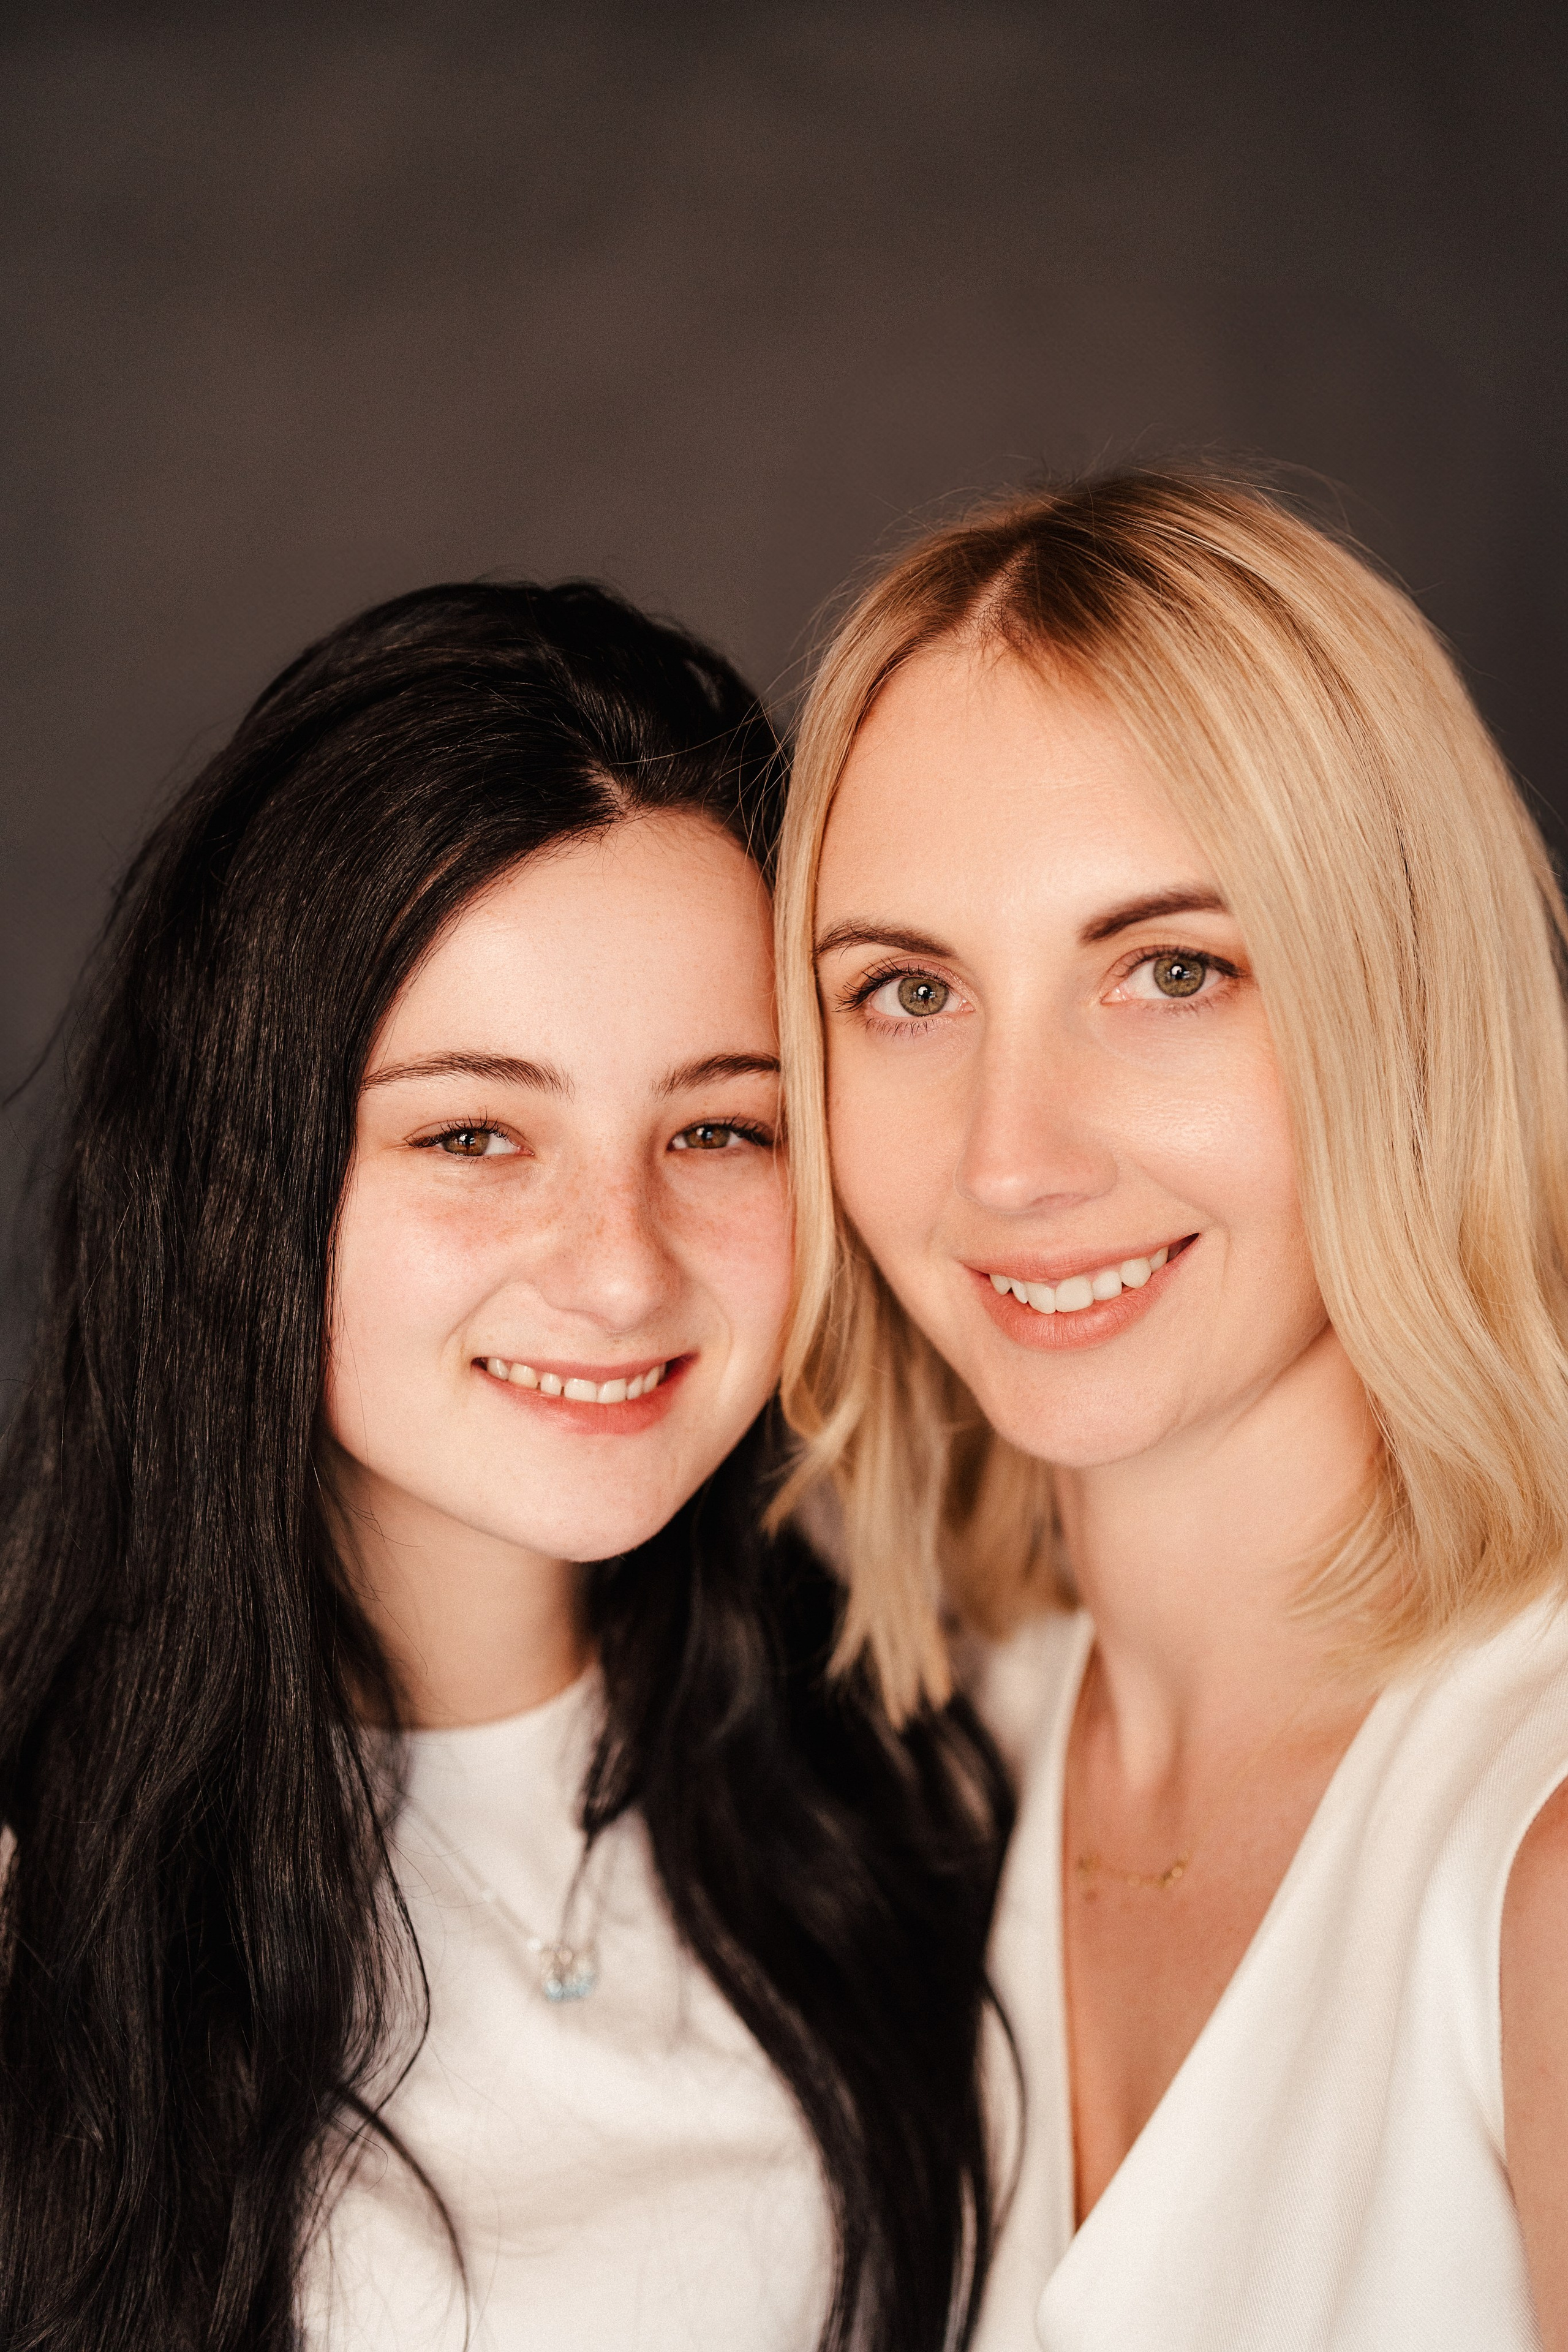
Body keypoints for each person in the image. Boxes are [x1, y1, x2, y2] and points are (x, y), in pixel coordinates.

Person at [0, 581, 1011, 2352]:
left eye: (719, 1128)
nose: (620, 1267)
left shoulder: (921, 1774)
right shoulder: (39, 1904)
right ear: (243, 1175)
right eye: (474, 1132)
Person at [772, 468, 1568, 2350]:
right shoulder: (913, 1773)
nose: (1013, 1158)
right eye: (907, 993)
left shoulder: (1537, 1843)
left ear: (1406, 1008)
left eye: (1174, 970)